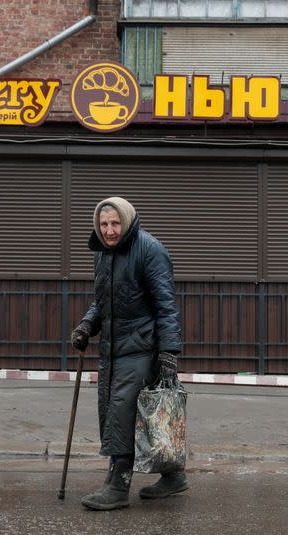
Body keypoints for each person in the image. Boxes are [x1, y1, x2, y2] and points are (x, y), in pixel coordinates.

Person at [70, 196, 187, 511]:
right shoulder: (103, 253)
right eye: (104, 224)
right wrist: (85, 326)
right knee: (130, 413)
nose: (109, 230)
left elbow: (166, 305)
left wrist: (168, 353)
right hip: (113, 347)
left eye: (115, 223)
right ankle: (174, 476)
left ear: (127, 220)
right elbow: (104, 300)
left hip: (142, 346)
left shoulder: (150, 250)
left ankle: (117, 486)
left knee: (122, 411)